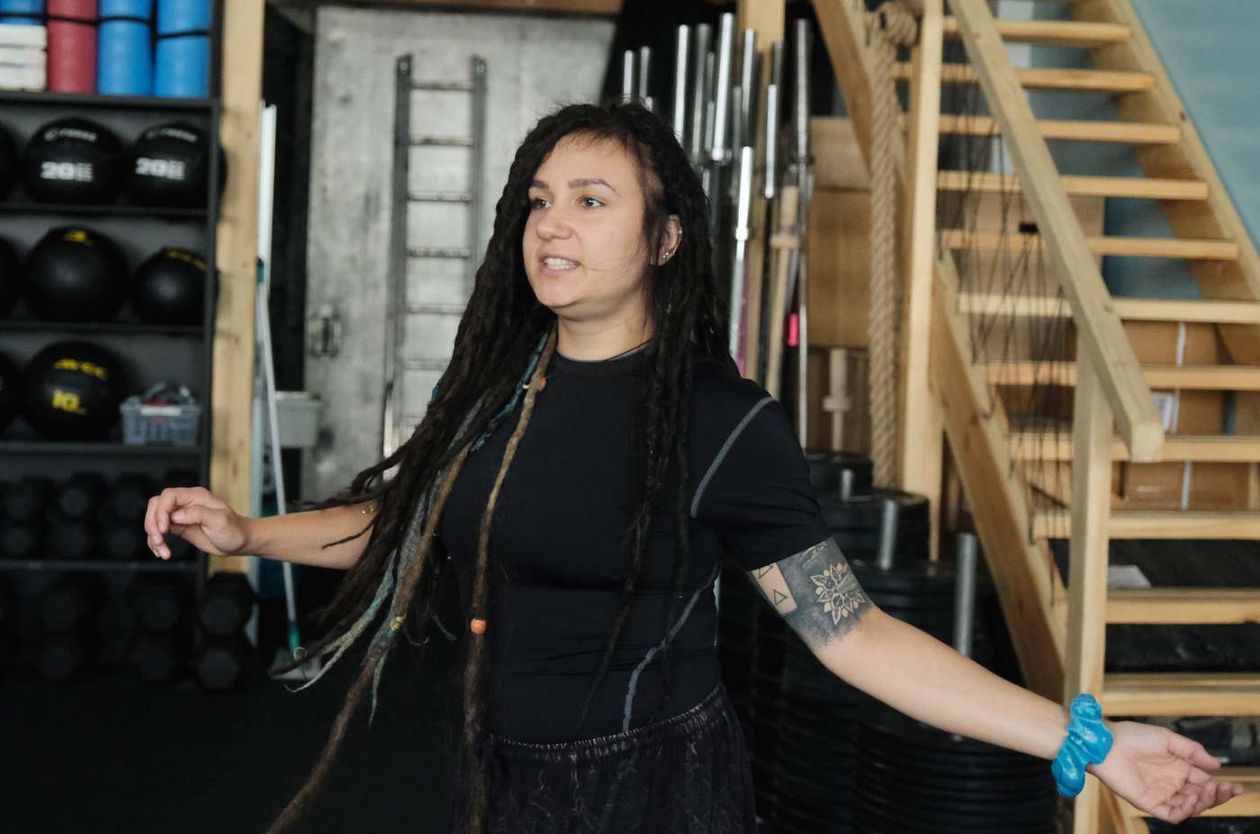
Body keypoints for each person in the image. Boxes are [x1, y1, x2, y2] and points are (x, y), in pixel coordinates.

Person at [143, 102, 1243, 833]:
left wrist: (1088, 741)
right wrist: (249, 533)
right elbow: (406, 527)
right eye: (538, 201)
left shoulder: (722, 424)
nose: (551, 226)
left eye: (591, 201)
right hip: (498, 772)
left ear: (665, 240)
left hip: (651, 789)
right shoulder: (496, 388)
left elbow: (852, 632)